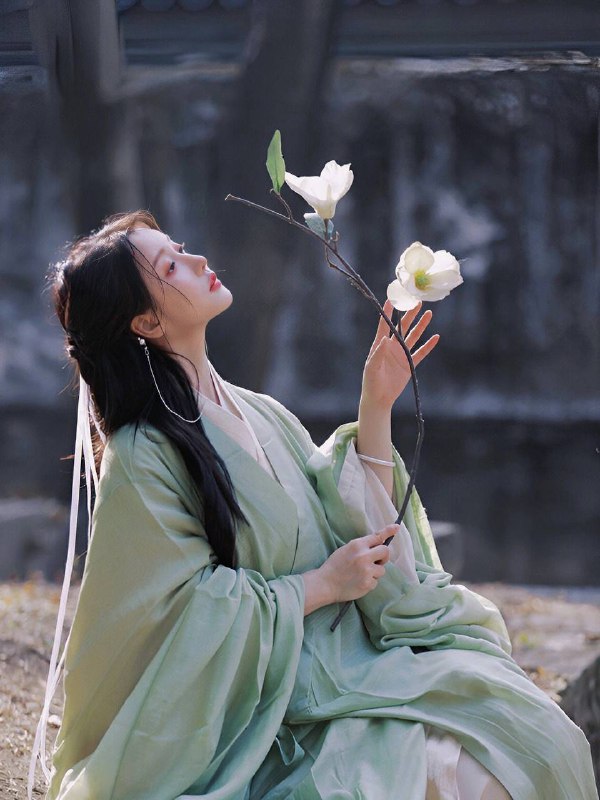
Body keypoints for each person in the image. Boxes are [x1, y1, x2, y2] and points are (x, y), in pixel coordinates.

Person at [30, 209, 597, 800]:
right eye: (171, 266)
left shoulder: (261, 411)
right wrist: (320, 586)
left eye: (181, 247)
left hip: (353, 662)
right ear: (146, 321)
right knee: (472, 783)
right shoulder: (143, 453)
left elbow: (339, 514)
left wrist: (375, 406)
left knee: (542, 742)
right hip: (269, 714)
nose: (198, 260)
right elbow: (178, 620)